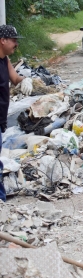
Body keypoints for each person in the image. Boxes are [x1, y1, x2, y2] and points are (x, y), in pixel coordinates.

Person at [0, 25, 33, 202]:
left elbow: (14, 79)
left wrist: (25, 80)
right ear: (2, 40)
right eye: (13, 40)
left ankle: (1, 200)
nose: (16, 44)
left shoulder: (4, 60)